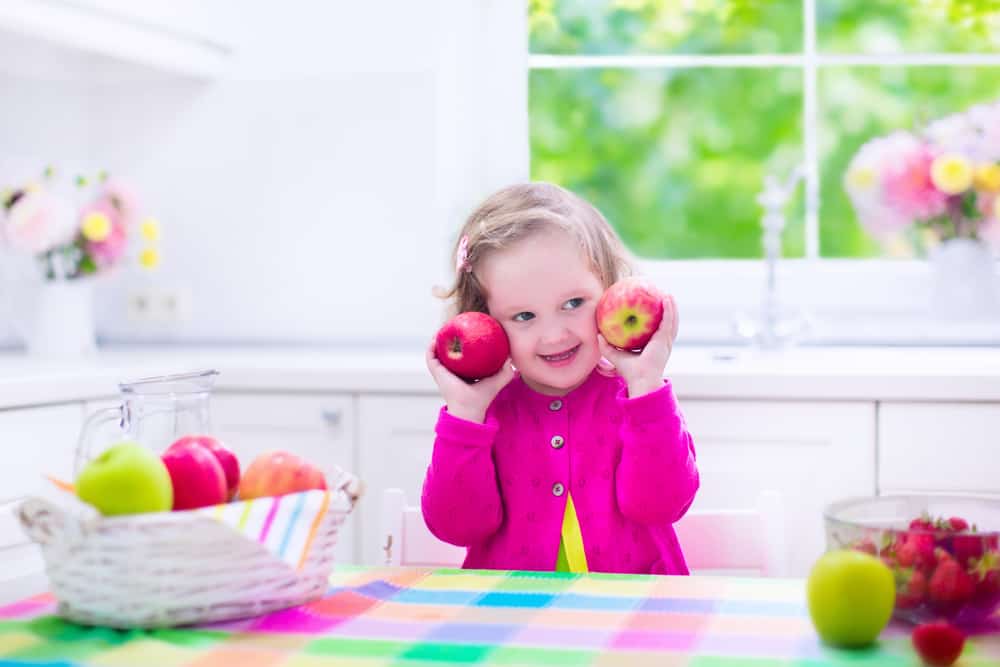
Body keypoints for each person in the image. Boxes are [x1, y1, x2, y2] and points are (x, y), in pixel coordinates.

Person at [422, 182, 699, 575]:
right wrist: (465, 414)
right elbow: (455, 526)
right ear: (484, 321)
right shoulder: (483, 413)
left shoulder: (638, 399)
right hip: (511, 619)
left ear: (608, 291)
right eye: (524, 316)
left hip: (637, 617)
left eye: (573, 304)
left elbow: (663, 504)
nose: (554, 335)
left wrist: (646, 387)